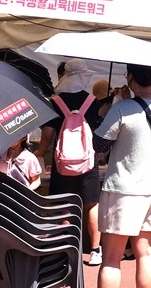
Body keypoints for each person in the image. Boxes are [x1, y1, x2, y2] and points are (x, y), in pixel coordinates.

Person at [83, 63, 151, 288]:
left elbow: (99, 145)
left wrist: (114, 106)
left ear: (131, 76)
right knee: (145, 252)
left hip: (124, 188)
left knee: (111, 257)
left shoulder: (122, 108)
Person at [34, 58, 104, 267]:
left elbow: (47, 135)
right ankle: (95, 250)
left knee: (63, 204)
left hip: (62, 161)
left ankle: (66, 247)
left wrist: (39, 152)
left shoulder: (55, 101)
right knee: (91, 205)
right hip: (87, 160)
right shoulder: (92, 101)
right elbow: (98, 131)